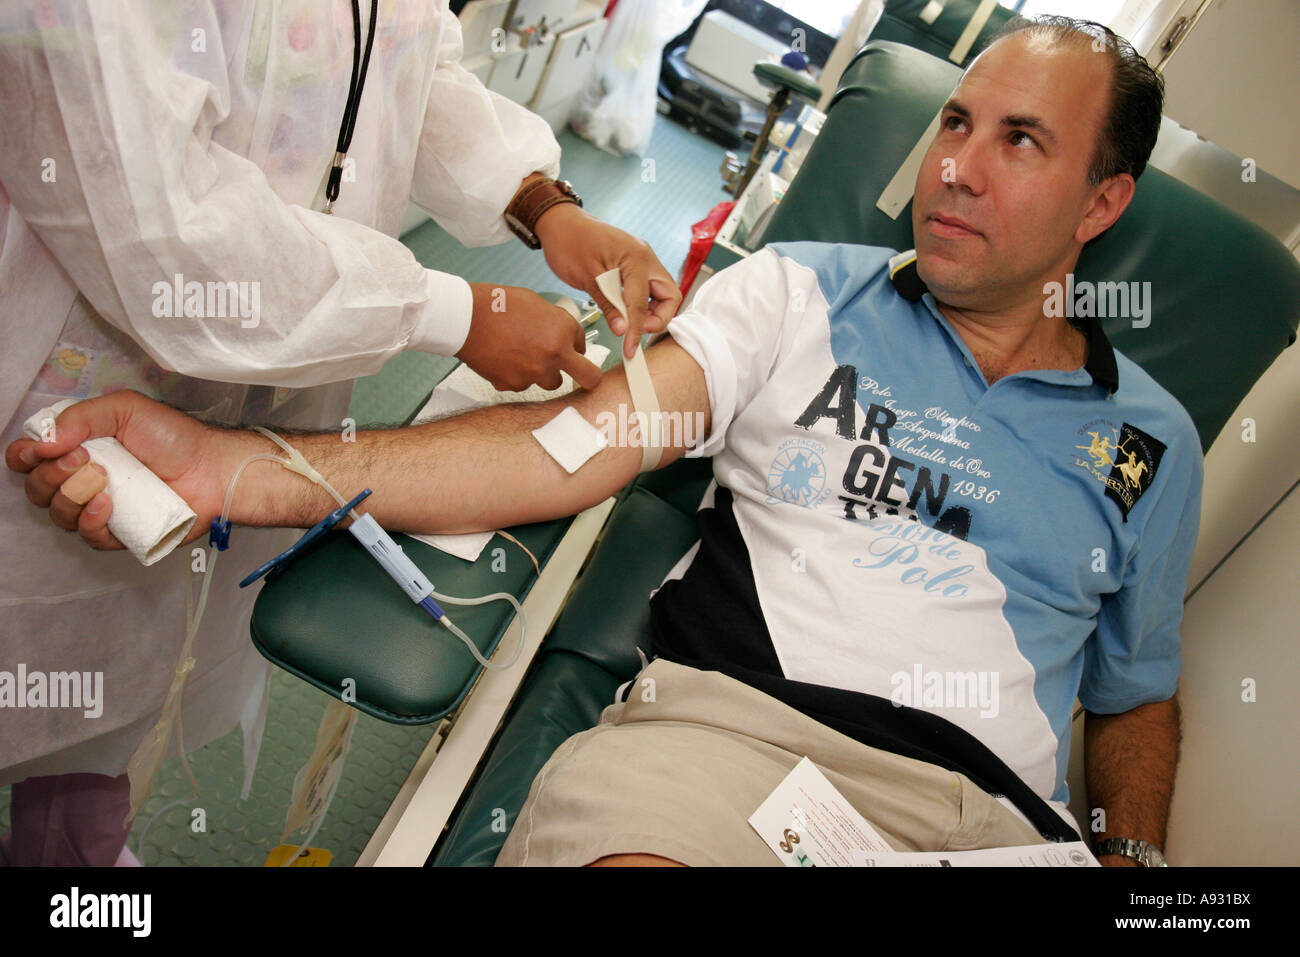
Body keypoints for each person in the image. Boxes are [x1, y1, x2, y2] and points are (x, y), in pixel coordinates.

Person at [8, 16, 1199, 868]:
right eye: (952, 122)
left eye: (1020, 141)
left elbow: (1137, 693)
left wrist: (1132, 860)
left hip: (993, 827)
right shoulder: (801, 298)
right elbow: (560, 450)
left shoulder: (1149, 444)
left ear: (1103, 203)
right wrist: (236, 469)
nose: (952, 166)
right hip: (734, 766)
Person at [0, 0, 681, 866]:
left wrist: (544, 206)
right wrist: (459, 312)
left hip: (276, 369)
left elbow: (398, 63)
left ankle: (69, 841)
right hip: (66, 350)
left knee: (128, 667)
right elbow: (156, 216)